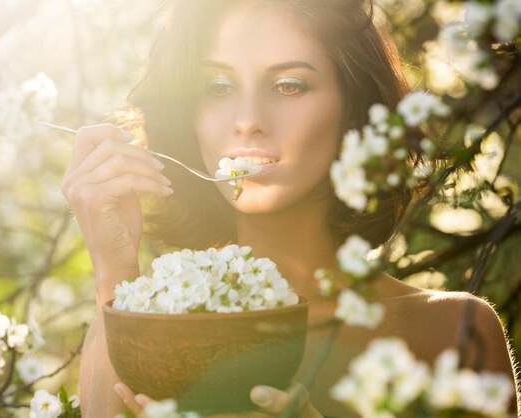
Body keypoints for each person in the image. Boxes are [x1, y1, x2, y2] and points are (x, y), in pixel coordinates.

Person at [60, 0, 519, 416]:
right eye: (218, 86)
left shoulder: (454, 331)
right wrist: (113, 262)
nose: (248, 121)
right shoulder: (166, 330)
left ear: (355, 108)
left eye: (288, 85)